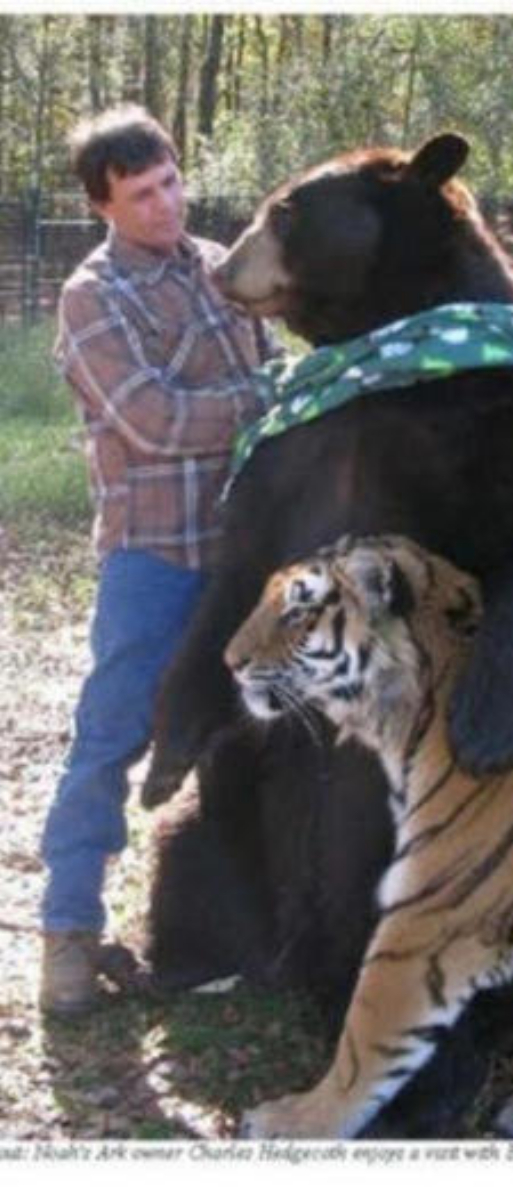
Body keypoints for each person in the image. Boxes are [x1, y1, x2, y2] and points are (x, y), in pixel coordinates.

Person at [39, 105, 278, 1016]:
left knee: (246, 733)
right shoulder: (92, 297)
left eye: (171, 182)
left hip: (247, 550)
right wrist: (261, 396)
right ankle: (67, 937)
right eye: (141, 196)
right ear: (103, 205)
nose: (165, 206)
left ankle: (229, 927)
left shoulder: (222, 266)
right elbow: (155, 420)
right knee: (110, 739)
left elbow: (282, 360)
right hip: (155, 556)